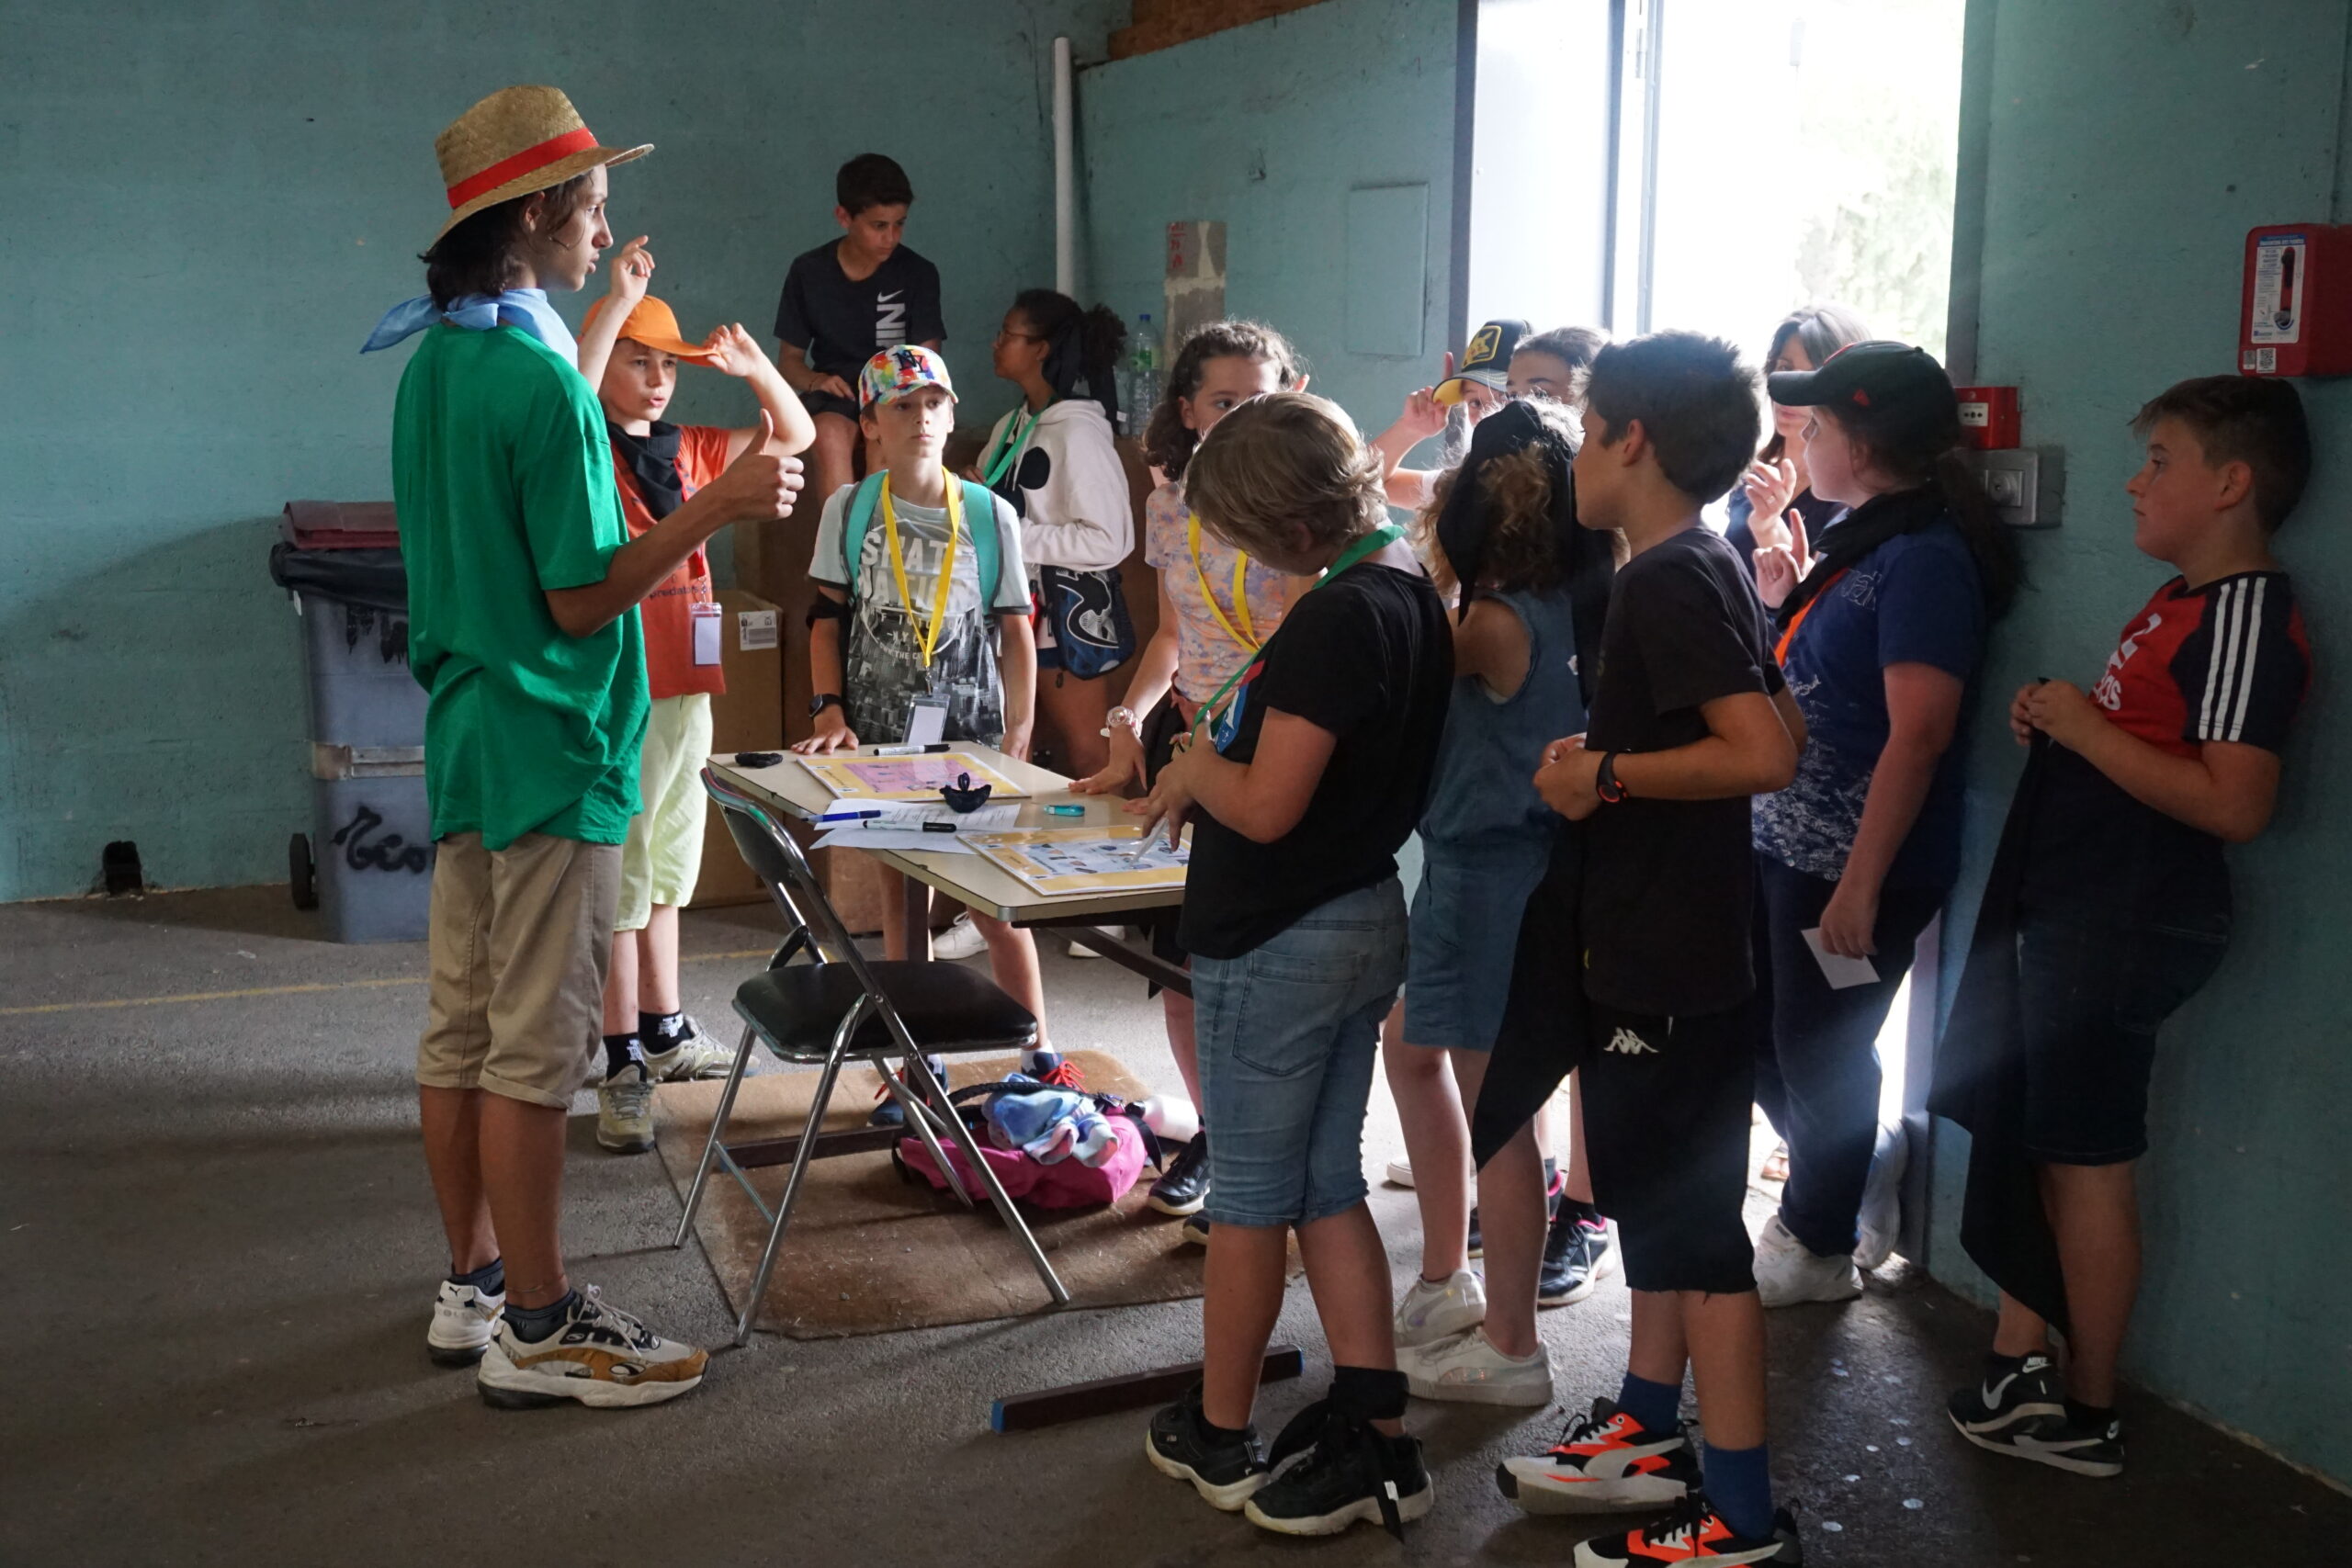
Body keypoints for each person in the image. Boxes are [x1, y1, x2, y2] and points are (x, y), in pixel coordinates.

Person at [367, 85, 800, 1406]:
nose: (602, 229)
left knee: (459, 1031)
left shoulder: (435, 366)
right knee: (535, 1051)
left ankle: (475, 1284)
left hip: (468, 740)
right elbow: (579, 597)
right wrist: (715, 507)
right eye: (593, 205)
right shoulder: (540, 385)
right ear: (538, 211)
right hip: (553, 744)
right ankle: (545, 1324)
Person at [1936, 376, 2312, 1479]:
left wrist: (2087, 733)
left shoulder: (2245, 614)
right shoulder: (2177, 600)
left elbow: (2236, 803)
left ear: (2229, 484)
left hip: (2128, 920)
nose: (2135, 483)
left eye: (2159, 462)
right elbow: (2143, 740)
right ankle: (2021, 1363)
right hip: (2078, 907)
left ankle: (2087, 1410)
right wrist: (2064, 723)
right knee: (2044, 1141)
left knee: (2086, 1158)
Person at [1501, 333, 1807, 1566]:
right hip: (1673, 941)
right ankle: (1647, 1423)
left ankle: (1740, 1518)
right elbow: (1781, 718)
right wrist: (1608, 763)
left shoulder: (1668, 579)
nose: (1575, 457)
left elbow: (1764, 753)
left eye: (1585, 433)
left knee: (1700, 1243)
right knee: (1667, 1218)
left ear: (1631, 441)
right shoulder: (1702, 559)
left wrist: (1607, 774)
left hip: (1669, 956)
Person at [1138, 393, 1451, 1539]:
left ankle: (1219, 1432)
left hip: (1279, 937)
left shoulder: (1336, 617)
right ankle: (1374, 1429)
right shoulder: (1405, 584)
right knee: (1325, 1184)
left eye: (1242, 537)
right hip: (1356, 913)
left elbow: (1267, 805)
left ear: (1293, 526)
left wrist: (1192, 769)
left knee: (1249, 1202)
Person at [1743, 343, 2020, 1306]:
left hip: (1852, 872)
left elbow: (1920, 734)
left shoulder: (1926, 559)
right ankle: (1858, 1164)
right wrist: (1781, 597)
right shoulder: (1864, 536)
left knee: (1821, 1053)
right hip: (1785, 849)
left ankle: (1816, 1243)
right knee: (1764, 1039)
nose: (1802, 444)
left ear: (1859, 446)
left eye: (1815, 428)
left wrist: (1861, 885)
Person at [1385, 400, 1618, 1410]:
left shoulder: (1491, 623)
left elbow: (1397, 677)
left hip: (1491, 878)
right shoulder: (1586, 600)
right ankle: (1448, 1275)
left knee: (1500, 1113)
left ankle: (1513, 1347)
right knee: (1411, 1047)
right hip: (1511, 870)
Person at [1070, 319, 1310, 1233]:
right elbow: (1171, 636)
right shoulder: (1169, 503)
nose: (1243, 415)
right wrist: (1126, 720)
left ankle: (1266, 1156)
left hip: (1277, 736)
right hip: (1193, 736)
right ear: (1188, 409)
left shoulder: (1302, 510)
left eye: (1261, 398)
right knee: (1182, 964)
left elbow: (1304, 640)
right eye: (1223, 400)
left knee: (1262, 965)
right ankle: (1214, 1133)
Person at [575, 280, 817, 1155]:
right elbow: (572, 394)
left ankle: (666, 1028)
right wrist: (613, 305)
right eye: (637, 361)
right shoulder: (582, 448)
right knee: (623, 879)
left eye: (667, 365)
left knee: (671, 868)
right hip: (623, 689)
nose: (656, 380)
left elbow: (796, 434)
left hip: (688, 689)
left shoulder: (694, 450)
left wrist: (754, 368)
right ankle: (621, 1059)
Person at [790, 346, 1069, 1092]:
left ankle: (1040, 1053)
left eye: (934, 403)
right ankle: (918, 1063)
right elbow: (825, 619)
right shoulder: (849, 509)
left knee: (994, 902)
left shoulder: (988, 512)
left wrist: (1019, 729)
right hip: (881, 740)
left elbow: (1015, 627)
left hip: (971, 738)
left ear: (952, 415)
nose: (921, 418)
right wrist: (829, 705)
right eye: (902, 405)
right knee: (902, 903)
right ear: (870, 423)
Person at [979, 289, 1136, 782]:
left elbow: (1108, 540)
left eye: (1008, 334)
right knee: (1015, 756)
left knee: (1091, 758)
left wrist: (1013, 535)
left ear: (1041, 349)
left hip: (1064, 621)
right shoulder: (1010, 426)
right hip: (1009, 615)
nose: (996, 343)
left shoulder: (1078, 432)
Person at [773, 154, 944, 537]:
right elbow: (789, 362)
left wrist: (897, 399)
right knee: (828, 436)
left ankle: (881, 549)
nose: (891, 237)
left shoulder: (918, 273)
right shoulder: (809, 271)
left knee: (884, 443)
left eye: (899, 224)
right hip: (838, 394)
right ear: (844, 217)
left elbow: (928, 362)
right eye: (879, 226)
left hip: (898, 393)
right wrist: (817, 381)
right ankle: (842, 548)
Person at [1723, 305, 1871, 574]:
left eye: (1812, 376)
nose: (1792, 392)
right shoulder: (1753, 473)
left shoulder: (1848, 497)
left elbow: (1820, 592)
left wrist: (1769, 528)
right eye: (1785, 368)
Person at [1371, 320, 1524, 509]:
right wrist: (1411, 429)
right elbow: (1367, 484)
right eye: (1475, 403)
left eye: (1506, 398)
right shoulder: (1461, 486)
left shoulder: (1559, 483)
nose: (1487, 416)